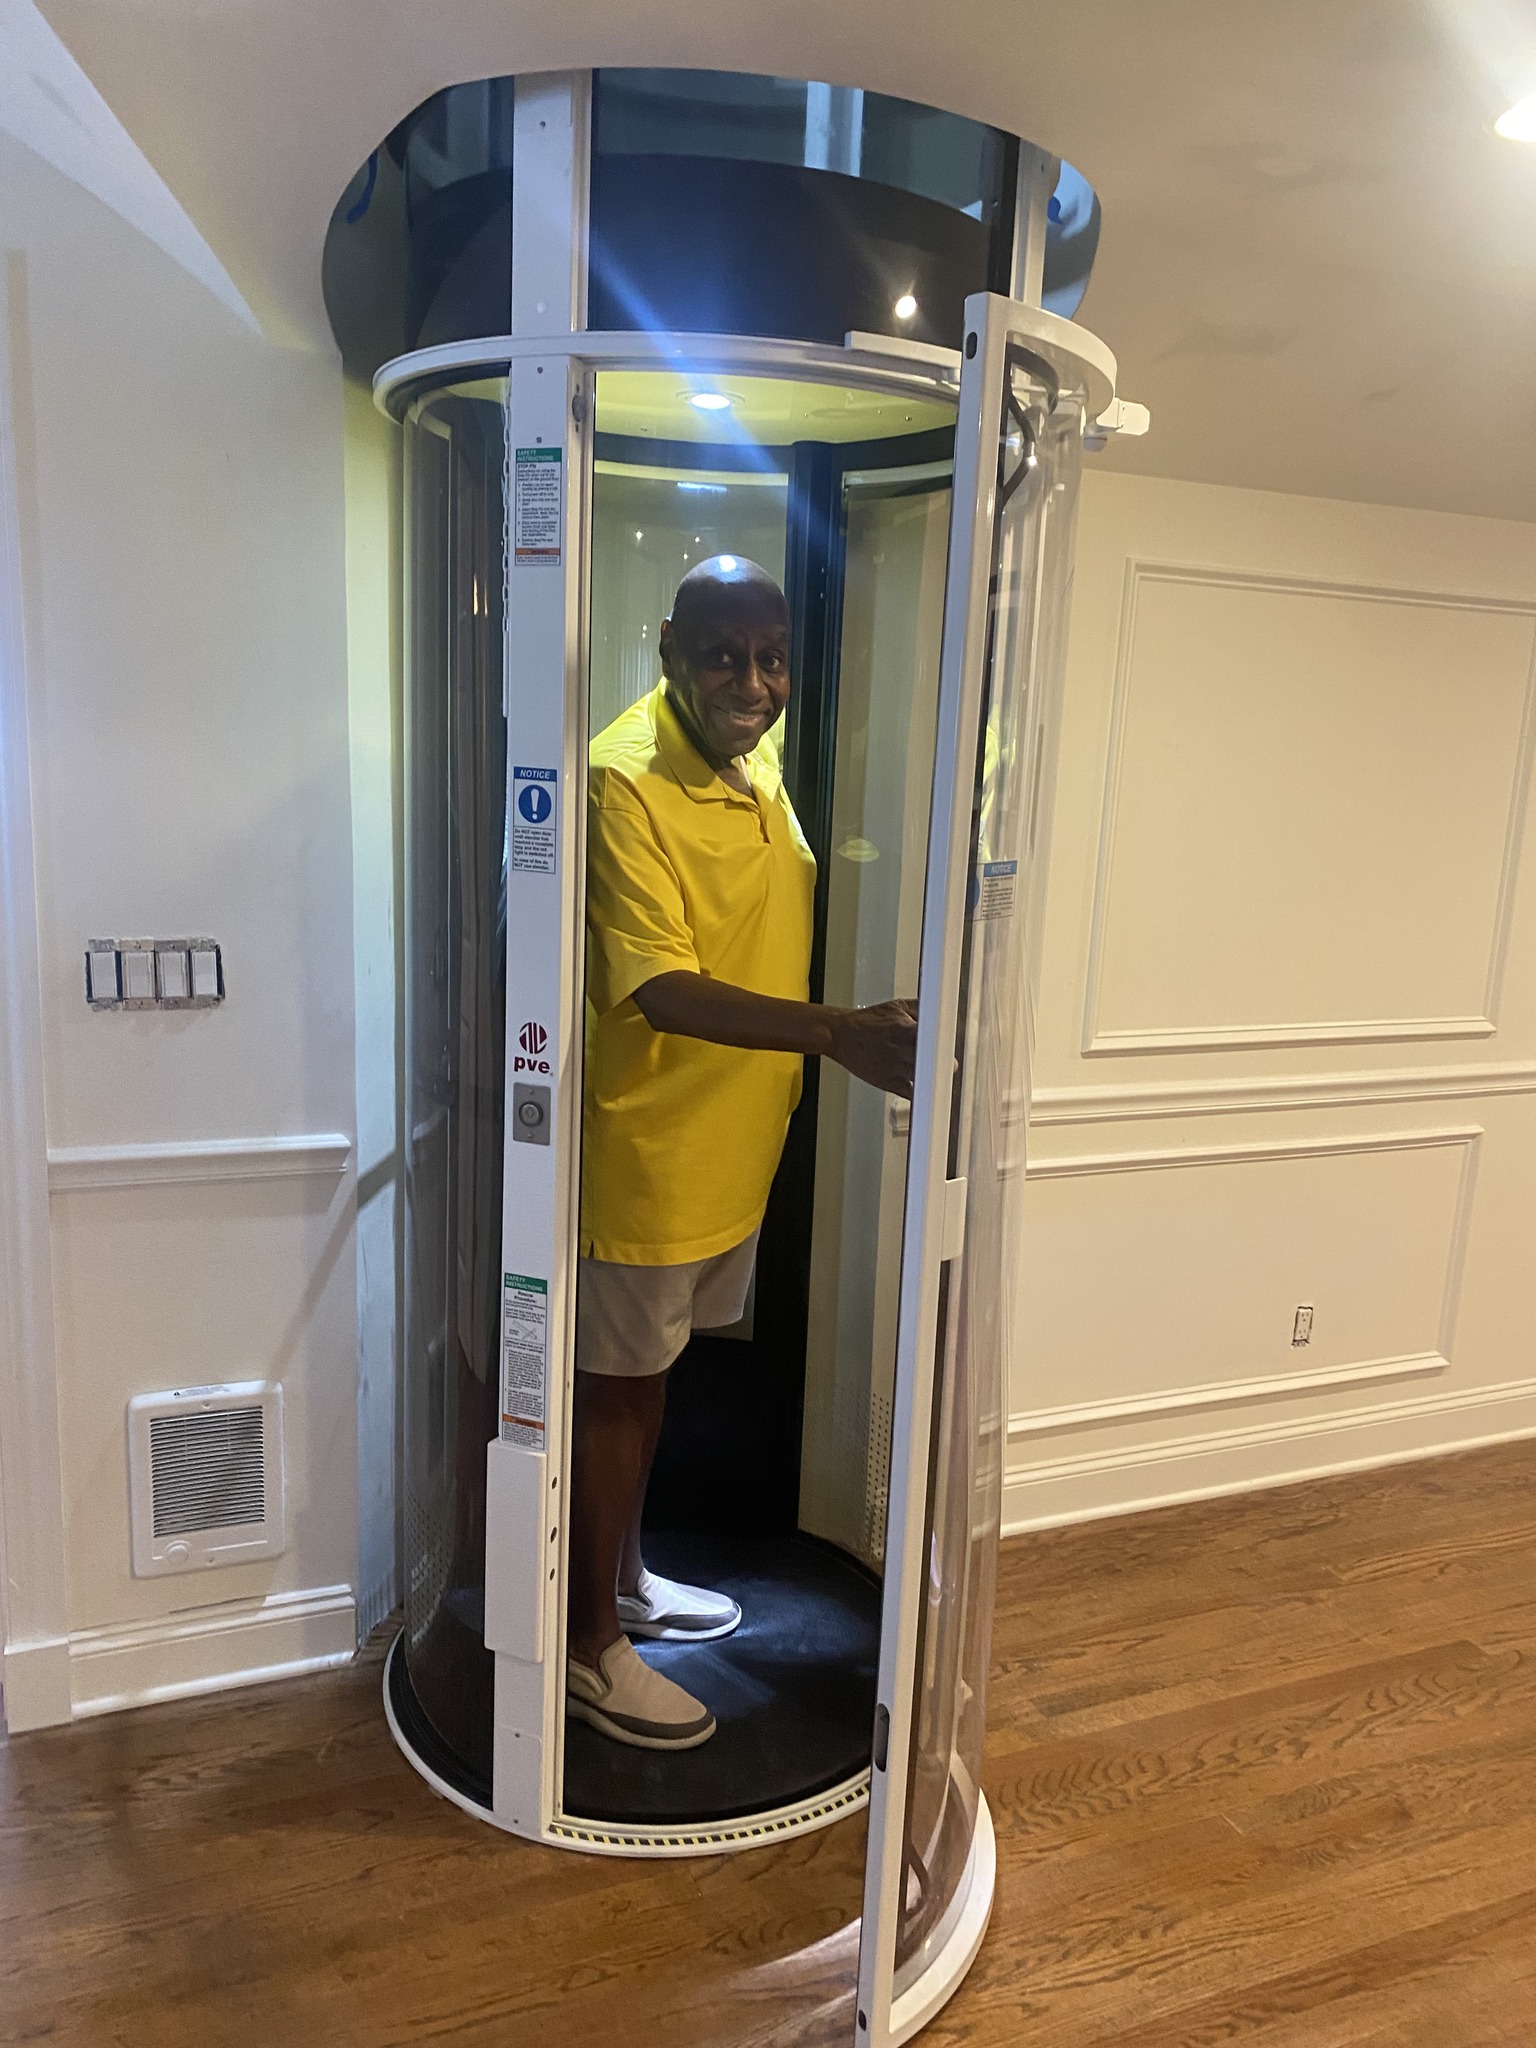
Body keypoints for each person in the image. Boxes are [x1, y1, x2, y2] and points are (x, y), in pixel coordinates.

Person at [567, 553, 917, 1750]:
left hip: (735, 1140)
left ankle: (620, 1581)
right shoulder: (624, 780)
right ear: (669, 646)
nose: (754, 682)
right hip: (652, 1151)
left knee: (654, 1378)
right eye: (725, 655)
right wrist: (839, 1033)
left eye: (772, 659)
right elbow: (659, 984)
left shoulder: (746, 755)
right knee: (617, 1391)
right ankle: (584, 1651)